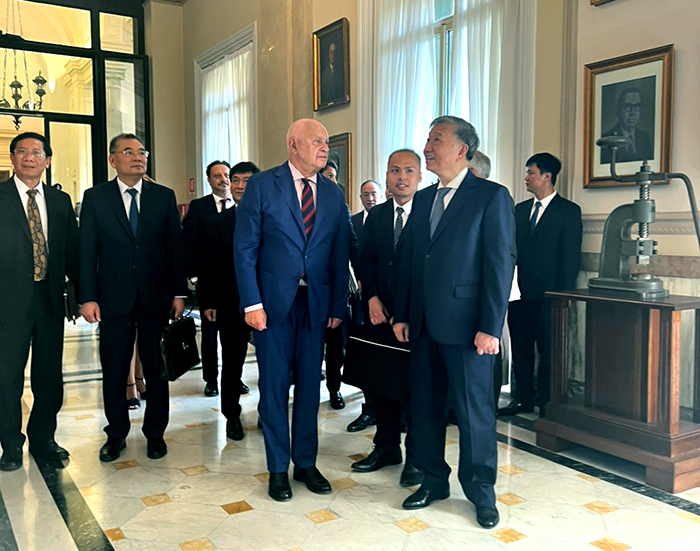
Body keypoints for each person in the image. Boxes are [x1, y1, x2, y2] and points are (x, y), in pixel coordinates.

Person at [393, 116, 515, 529]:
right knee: (425, 409)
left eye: (437, 140)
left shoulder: (491, 197)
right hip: (423, 325)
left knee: (473, 413)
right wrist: (404, 314)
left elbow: (500, 265)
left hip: (468, 329)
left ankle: (481, 492)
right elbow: (413, 262)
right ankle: (432, 481)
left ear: (462, 150)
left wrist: (490, 327)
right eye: (428, 139)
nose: (428, 147)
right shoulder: (424, 199)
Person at [234, 118, 349, 502]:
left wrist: (336, 304)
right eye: (316, 141)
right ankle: (277, 468)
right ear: (293, 144)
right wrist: (252, 303)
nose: (324, 147)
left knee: (310, 388)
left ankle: (306, 463)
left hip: (315, 304)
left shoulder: (332, 193)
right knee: (274, 388)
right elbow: (245, 249)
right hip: (271, 306)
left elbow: (338, 252)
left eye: (326, 141)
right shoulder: (263, 185)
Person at [79, 133, 187, 463]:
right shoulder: (96, 198)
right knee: (114, 368)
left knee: (156, 368)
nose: (138, 157)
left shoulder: (163, 196)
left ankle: (155, 433)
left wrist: (179, 292)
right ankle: (116, 433)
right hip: (113, 298)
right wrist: (87, 297)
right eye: (129, 152)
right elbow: (87, 251)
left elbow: (175, 247)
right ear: (113, 160)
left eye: (142, 152)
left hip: (156, 296)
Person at [0, 132, 79, 471]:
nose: (29, 157)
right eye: (22, 151)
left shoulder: (60, 201)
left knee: (49, 376)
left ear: (47, 160)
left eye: (36, 152)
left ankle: (43, 438)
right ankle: (10, 444)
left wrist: (85, 296)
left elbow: (73, 251)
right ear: (13, 158)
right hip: (7, 303)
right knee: (7, 377)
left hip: (49, 299)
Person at [350, 149, 422, 487]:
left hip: (416, 316)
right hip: (379, 313)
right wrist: (372, 298)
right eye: (395, 170)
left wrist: (405, 312)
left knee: (414, 388)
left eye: (408, 171)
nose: (401, 177)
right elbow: (365, 260)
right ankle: (386, 447)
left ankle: (417, 458)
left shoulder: (429, 212)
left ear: (420, 177)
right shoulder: (377, 215)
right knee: (381, 382)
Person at [498, 153, 582, 418]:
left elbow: (570, 259)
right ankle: (521, 399)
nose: (526, 177)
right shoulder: (520, 210)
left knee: (548, 352)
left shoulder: (568, 211)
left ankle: (546, 402)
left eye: (531, 172)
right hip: (518, 295)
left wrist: (562, 298)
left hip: (549, 297)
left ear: (547, 176)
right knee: (521, 349)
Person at [198, 161, 260, 441]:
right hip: (230, 302)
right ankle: (231, 414)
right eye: (235, 180)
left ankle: (268, 411)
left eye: (247, 181)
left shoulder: (272, 219)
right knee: (233, 363)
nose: (239, 186)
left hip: (267, 303)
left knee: (271, 364)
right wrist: (208, 301)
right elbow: (209, 265)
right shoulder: (219, 222)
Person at [183, 160, 242, 398]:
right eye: (217, 176)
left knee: (234, 339)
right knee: (209, 335)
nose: (223, 179)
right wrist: (195, 278)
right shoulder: (199, 207)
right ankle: (211, 379)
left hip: (235, 285)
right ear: (209, 180)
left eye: (227, 175)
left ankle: (234, 378)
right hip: (209, 282)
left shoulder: (243, 208)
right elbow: (189, 244)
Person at [346, 178, 385, 432]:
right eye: (365, 194)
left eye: (374, 193)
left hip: (392, 300)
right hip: (363, 299)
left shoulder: (391, 218)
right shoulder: (354, 221)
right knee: (368, 355)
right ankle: (370, 409)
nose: (370, 198)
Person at [601, 86, 653, 164]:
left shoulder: (645, 138)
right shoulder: (607, 140)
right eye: (627, 107)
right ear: (618, 109)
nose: (633, 112)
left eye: (637, 106)